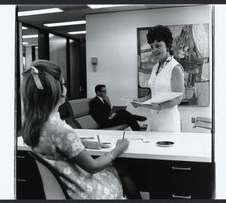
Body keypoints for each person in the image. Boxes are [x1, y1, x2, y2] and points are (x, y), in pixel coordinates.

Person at [20, 60, 141, 199]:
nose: (65, 87)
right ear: (59, 90)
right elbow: (93, 167)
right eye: (63, 83)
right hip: (86, 193)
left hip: (66, 190)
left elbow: (56, 145)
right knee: (121, 168)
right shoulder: (61, 130)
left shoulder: (33, 126)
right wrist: (119, 148)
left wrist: (80, 142)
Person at [132, 25, 184, 132]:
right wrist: (139, 101)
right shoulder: (155, 67)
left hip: (168, 121)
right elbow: (153, 93)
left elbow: (178, 98)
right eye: (151, 47)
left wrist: (160, 107)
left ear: (167, 45)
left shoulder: (175, 68)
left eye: (158, 45)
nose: (154, 50)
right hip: (154, 119)